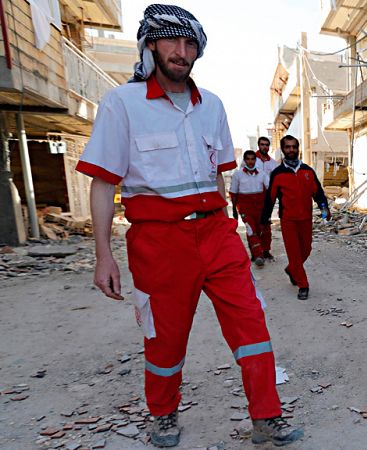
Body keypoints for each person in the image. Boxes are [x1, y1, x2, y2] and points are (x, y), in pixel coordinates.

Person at [75, 4, 302, 447]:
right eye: (173, 41)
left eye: (190, 44)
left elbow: (216, 175)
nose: (182, 51)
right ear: (150, 44)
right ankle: (162, 413)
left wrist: (229, 227)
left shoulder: (211, 106)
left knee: (252, 326)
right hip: (158, 242)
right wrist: (103, 255)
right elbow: (103, 183)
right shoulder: (122, 104)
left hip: (217, 233)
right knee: (166, 338)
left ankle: (266, 416)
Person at [261, 135, 329, 300]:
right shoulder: (277, 174)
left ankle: (292, 269)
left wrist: (324, 207)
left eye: (294, 147)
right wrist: (264, 219)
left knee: (306, 250)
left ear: (298, 149)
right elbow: (270, 198)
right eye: (287, 147)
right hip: (288, 220)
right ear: (283, 150)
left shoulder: (307, 171)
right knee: (294, 253)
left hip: (306, 218)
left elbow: (318, 192)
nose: (291, 150)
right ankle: (303, 285)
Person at [230, 150, 272, 266]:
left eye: (252, 159)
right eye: (248, 159)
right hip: (245, 208)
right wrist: (234, 210)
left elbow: (270, 190)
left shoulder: (262, 174)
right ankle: (258, 255)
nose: (250, 161)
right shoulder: (237, 175)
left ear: (255, 160)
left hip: (260, 207)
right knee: (251, 230)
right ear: (244, 160)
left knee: (262, 229)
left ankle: (264, 251)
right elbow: (233, 193)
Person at [253, 136, 279, 260]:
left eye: (267, 145)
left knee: (266, 225)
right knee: (254, 225)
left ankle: (266, 250)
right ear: (258, 145)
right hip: (253, 196)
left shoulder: (273, 163)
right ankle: (256, 252)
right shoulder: (251, 160)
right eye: (262, 144)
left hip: (267, 198)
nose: (265, 147)